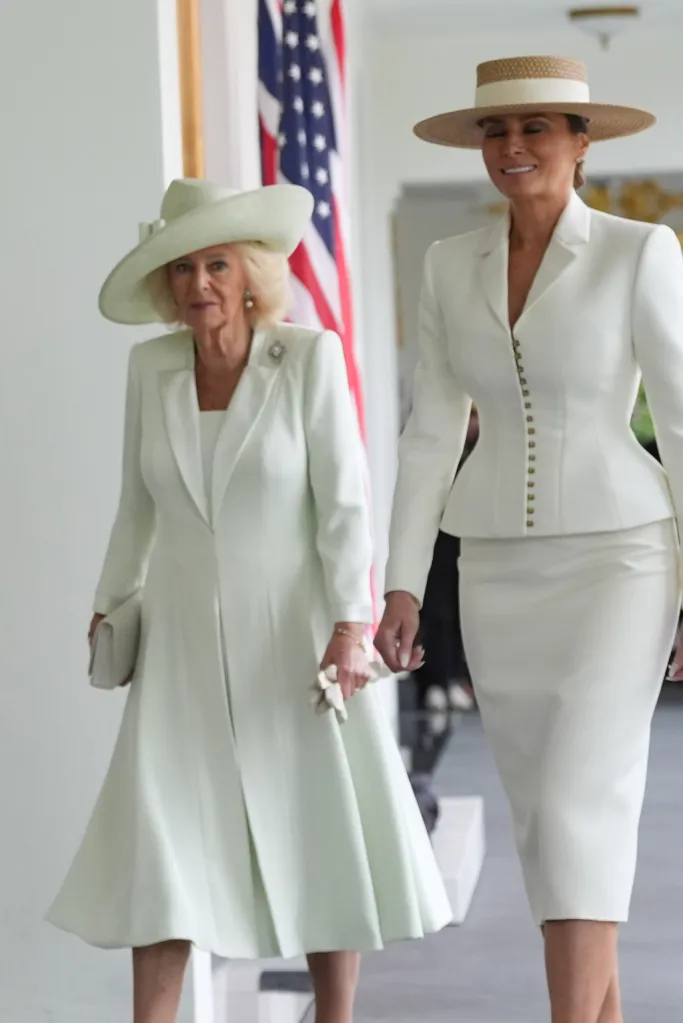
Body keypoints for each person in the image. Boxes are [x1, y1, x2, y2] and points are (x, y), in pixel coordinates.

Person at [47, 179, 452, 1023]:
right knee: (162, 840)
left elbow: (343, 503)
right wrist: (109, 607)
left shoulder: (305, 357)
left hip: (296, 637)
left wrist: (351, 625)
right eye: (185, 267)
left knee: (316, 822)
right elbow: (137, 505)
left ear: (250, 273)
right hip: (181, 642)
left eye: (218, 264)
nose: (200, 283)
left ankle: (334, 1016)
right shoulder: (149, 367)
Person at [375, 55, 683, 1023]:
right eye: (494, 133)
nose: (511, 148)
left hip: (620, 562)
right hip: (496, 566)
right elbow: (429, 431)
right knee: (545, 823)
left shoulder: (642, 252)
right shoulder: (444, 265)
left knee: (578, 800)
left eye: (535, 128)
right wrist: (400, 585)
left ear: (580, 143)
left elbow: (678, 423)